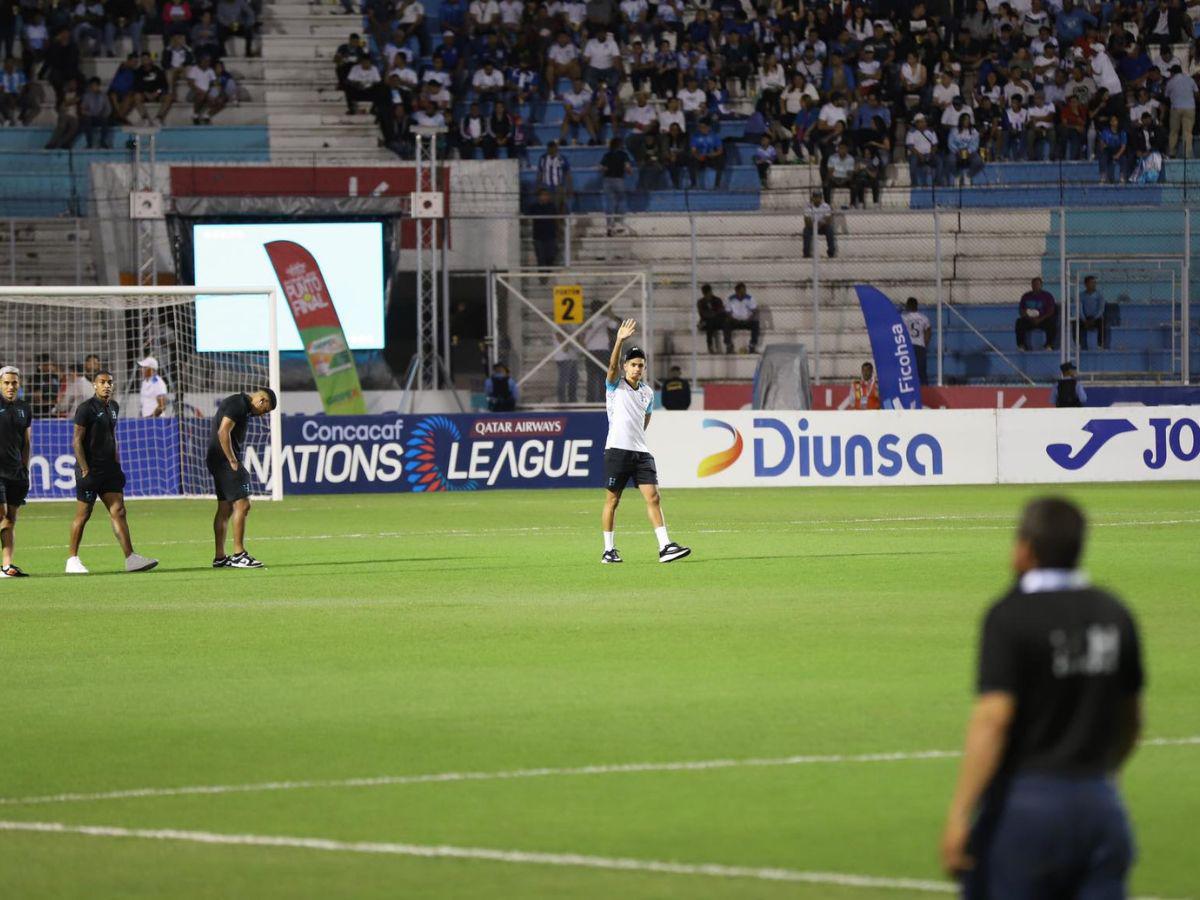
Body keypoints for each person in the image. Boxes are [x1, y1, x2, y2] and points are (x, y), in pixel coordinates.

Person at [940, 498, 1143, 898]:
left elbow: (994, 718)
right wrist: (1102, 776)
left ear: (1025, 548)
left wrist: (960, 813)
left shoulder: (1011, 615)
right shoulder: (1114, 613)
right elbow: (1132, 719)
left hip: (1027, 807)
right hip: (1101, 806)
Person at [600, 319, 690, 565]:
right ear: (625, 366)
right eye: (633, 364)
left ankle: (665, 547)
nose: (637, 368)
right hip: (617, 452)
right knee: (612, 501)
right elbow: (610, 366)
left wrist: (637, 438)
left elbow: (645, 418)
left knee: (654, 497)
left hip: (640, 453)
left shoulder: (648, 392)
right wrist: (619, 340)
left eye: (641, 365)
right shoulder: (614, 386)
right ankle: (608, 550)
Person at [65, 370, 158, 575]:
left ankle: (131, 558)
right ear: (94, 385)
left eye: (109, 382)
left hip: (109, 470)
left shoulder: (114, 407)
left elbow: (111, 437)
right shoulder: (85, 409)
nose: (106, 385)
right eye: (102, 382)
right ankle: (72, 559)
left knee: (119, 511)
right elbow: (77, 440)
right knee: (83, 515)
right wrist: (85, 469)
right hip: (90, 470)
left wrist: (117, 464)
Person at [207, 387, 276, 569]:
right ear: (262, 401)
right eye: (265, 411)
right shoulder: (238, 403)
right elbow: (223, 432)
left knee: (225, 508)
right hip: (225, 461)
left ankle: (220, 557)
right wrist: (232, 459)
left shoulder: (240, 405)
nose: (262, 415)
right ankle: (239, 554)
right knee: (243, 504)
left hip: (217, 460)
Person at [0, 366, 31, 577]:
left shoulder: (24, 408)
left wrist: (25, 468)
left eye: (14, 383)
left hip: (16, 472)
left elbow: (26, 442)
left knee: (10, 519)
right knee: (1, 515)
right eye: (6, 383)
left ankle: (7, 566)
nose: (11, 387)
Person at [599, 136, 633, 236]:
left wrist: (608, 168)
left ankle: (609, 225)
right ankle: (619, 222)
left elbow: (601, 167)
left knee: (610, 202)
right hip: (619, 179)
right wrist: (629, 171)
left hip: (607, 180)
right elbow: (627, 167)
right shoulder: (623, 154)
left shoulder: (607, 155)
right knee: (621, 200)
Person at [1016, 277, 1057, 351]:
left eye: (1037, 284)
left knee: (1052, 323)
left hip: (1042, 319)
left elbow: (1051, 311)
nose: (1035, 286)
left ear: (1041, 285)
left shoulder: (1047, 296)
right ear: (1031, 285)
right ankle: (1021, 345)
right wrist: (1029, 318)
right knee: (1019, 322)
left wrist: (1040, 319)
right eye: (1034, 284)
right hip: (1029, 320)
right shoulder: (1026, 296)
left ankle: (1049, 345)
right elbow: (1021, 311)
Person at [723, 282, 760, 354]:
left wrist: (749, 319)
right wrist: (733, 319)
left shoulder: (750, 298)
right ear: (736, 291)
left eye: (744, 291)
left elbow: (755, 311)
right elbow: (728, 312)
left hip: (747, 321)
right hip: (735, 321)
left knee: (756, 324)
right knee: (726, 323)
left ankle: (752, 345)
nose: (743, 293)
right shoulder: (730, 299)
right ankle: (728, 345)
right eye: (741, 291)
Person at [901, 297, 932, 384]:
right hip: (919, 346)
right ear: (916, 306)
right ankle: (925, 389)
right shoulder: (923, 318)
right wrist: (925, 344)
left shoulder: (903, 317)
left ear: (907, 306)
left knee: (908, 371)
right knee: (921, 371)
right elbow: (928, 331)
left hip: (908, 346)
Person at [1079, 274, 1113, 349]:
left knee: (1102, 323)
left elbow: (1101, 309)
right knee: (1076, 324)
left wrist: (1094, 319)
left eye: (1095, 283)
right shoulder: (1081, 295)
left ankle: (1100, 344)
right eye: (1091, 282)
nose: (1094, 284)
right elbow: (1079, 308)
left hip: (1096, 318)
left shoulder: (1099, 295)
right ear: (1086, 284)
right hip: (1085, 318)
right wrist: (1084, 320)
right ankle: (1080, 344)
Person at [528, 188, 558, 267]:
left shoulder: (552, 206)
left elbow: (556, 218)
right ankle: (542, 277)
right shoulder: (534, 206)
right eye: (543, 195)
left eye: (546, 195)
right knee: (540, 258)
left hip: (550, 236)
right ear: (538, 197)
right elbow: (528, 214)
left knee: (551, 256)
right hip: (538, 236)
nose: (545, 197)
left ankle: (548, 272)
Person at [802, 190, 835, 259]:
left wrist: (820, 223)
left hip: (822, 227)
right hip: (811, 226)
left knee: (830, 229)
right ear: (812, 198)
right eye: (815, 197)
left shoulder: (825, 206)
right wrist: (815, 224)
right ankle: (806, 253)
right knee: (806, 231)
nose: (817, 199)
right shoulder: (808, 206)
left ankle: (831, 252)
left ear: (821, 198)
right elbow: (806, 220)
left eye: (818, 197)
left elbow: (828, 219)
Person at [696, 283, 726, 353]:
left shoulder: (717, 300)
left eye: (709, 293)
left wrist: (712, 314)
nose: (708, 295)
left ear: (711, 292)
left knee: (713, 321)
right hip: (706, 322)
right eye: (706, 294)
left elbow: (721, 311)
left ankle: (712, 345)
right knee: (709, 322)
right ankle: (710, 345)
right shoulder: (701, 302)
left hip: (716, 321)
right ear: (703, 294)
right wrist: (713, 314)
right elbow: (703, 314)